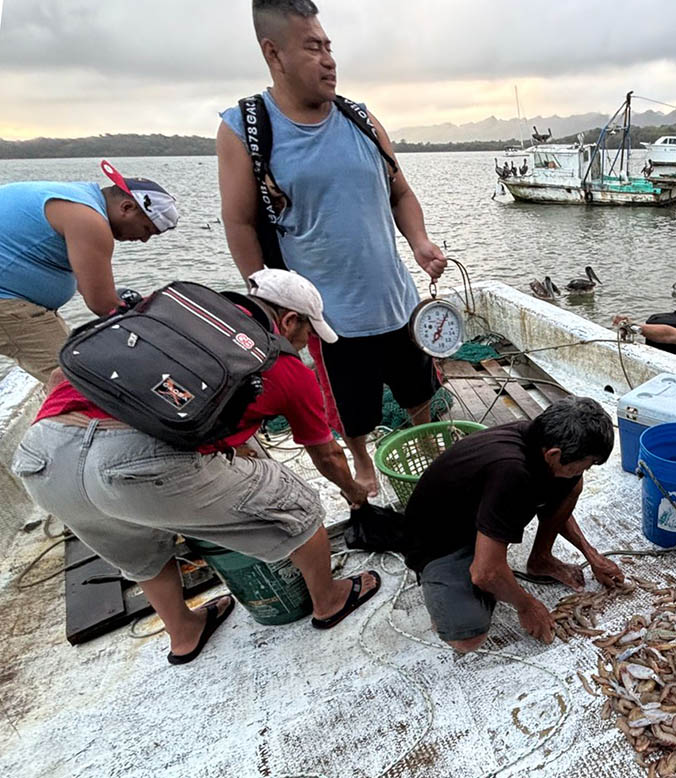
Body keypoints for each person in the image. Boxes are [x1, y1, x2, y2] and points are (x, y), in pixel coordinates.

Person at [12, 269, 379, 664]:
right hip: (134, 465)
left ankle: (184, 632)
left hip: (43, 457)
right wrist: (354, 493)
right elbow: (327, 456)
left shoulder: (171, 311)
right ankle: (330, 599)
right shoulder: (284, 366)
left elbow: (58, 375)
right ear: (289, 320)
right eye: (308, 332)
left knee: (138, 548)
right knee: (300, 506)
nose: (307, 343)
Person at [217, 0, 448, 498]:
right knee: (349, 409)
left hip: (397, 299)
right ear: (274, 54)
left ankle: (429, 447)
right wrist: (267, 300)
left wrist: (420, 242)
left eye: (328, 47)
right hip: (328, 316)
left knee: (420, 389)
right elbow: (239, 222)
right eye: (312, 48)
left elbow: (401, 193)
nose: (328, 60)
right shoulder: (246, 129)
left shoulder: (360, 118)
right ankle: (362, 464)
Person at [401, 397, 625, 653]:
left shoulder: (540, 439)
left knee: (571, 484)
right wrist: (526, 605)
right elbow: (484, 573)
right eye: (585, 465)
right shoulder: (512, 472)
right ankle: (446, 588)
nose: (585, 470)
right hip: (438, 543)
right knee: (468, 637)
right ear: (554, 455)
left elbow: (559, 500)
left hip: (479, 517)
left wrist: (591, 555)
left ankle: (540, 559)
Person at [0, 161, 179, 383]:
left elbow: (87, 286)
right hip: (8, 304)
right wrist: (160, 337)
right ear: (127, 208)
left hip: (18, 301)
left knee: (77, 358)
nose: (144, 240)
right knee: (80, 381)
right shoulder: (89, 221)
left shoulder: (78, 198)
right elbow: (102, 304)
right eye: (147, 230)